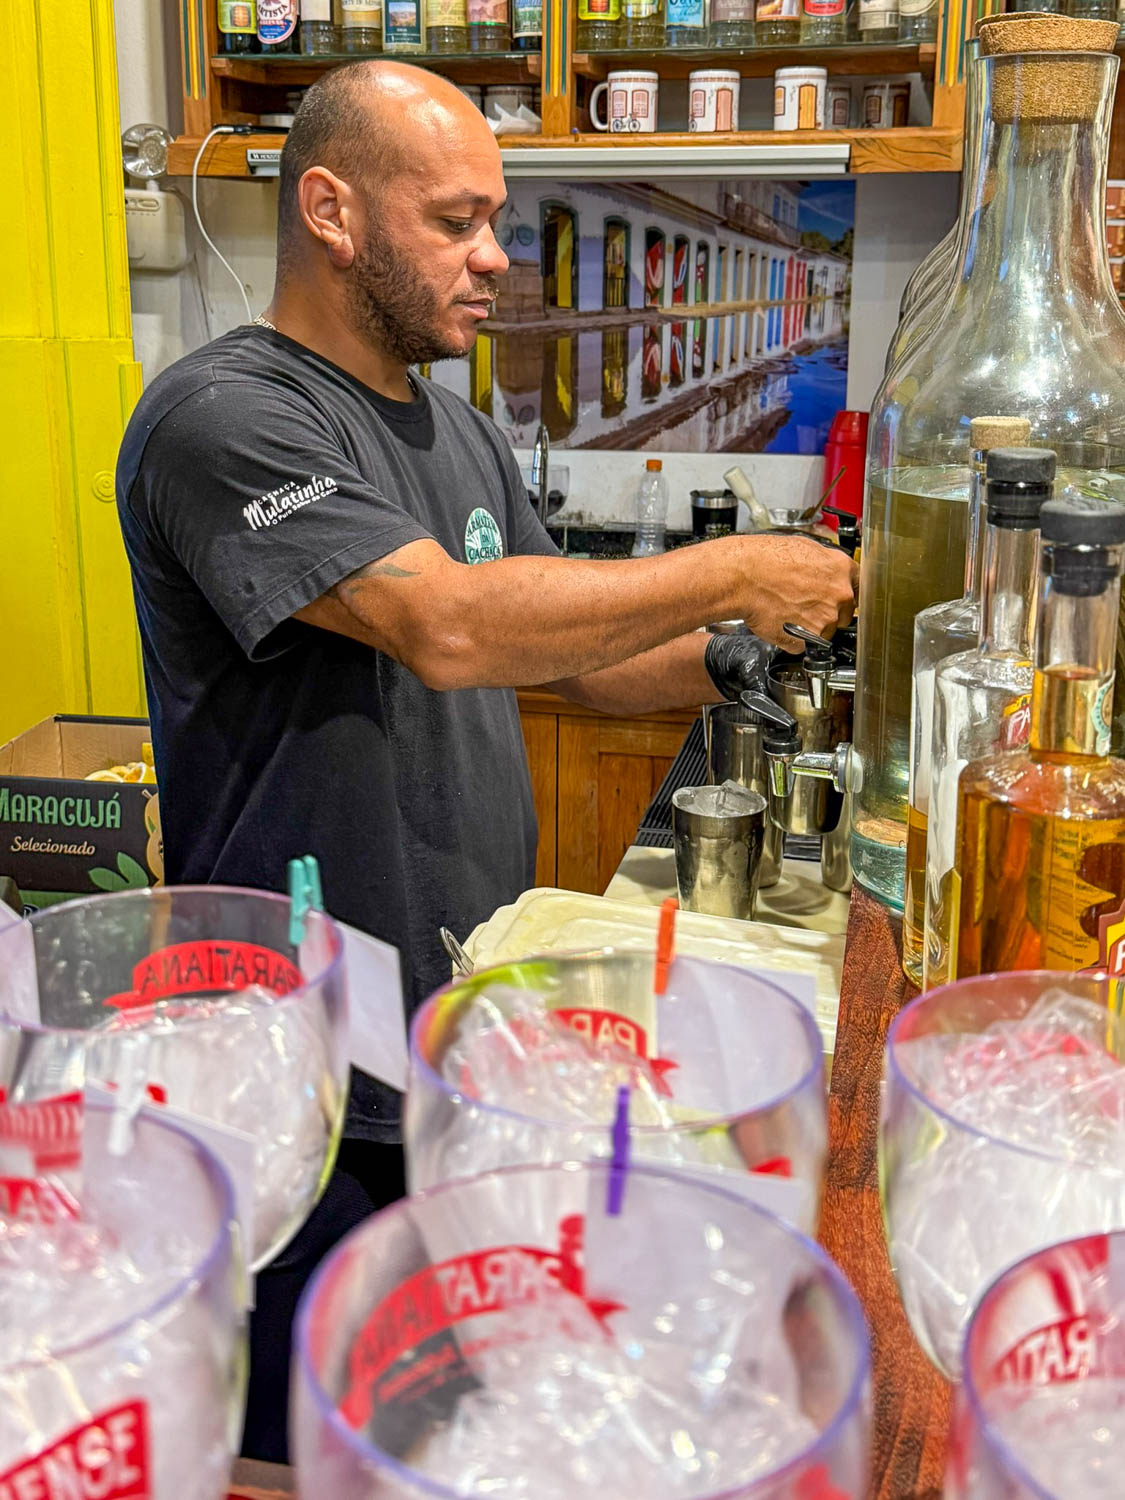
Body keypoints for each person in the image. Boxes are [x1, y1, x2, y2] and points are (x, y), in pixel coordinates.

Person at [115, 60, 857, 1460]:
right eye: (456, 221)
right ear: (329, 210)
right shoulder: (223, 417)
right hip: (314, 1074)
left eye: (497, 222)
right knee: (315, 1439)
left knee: (471, 1428)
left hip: (468, 1035)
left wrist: (725, 653)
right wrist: (735, 569)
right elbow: (444, 624)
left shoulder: (450, 423)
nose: (495, 260)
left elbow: (560, 652)